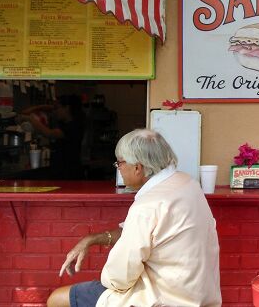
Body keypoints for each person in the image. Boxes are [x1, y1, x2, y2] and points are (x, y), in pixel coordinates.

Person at [46, 129, 222, 307]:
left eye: (120, 163)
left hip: (162, 298)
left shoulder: (148, 206)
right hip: (197, 295)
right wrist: (91, 239)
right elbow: (140, 233)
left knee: (57, 299)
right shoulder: (187, 183)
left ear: (138, 168)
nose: (119, 168)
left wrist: (107, 277)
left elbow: (119, 278)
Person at [19, 94, 85, 178]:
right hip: (61, 171)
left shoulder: (73, 126)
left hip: (69, 173)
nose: (55, 111)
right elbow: (48, 108)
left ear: (67, 108)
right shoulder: (65, 122)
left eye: (57, 108)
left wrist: (30, 119)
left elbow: (49, 133)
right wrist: (37, 108)